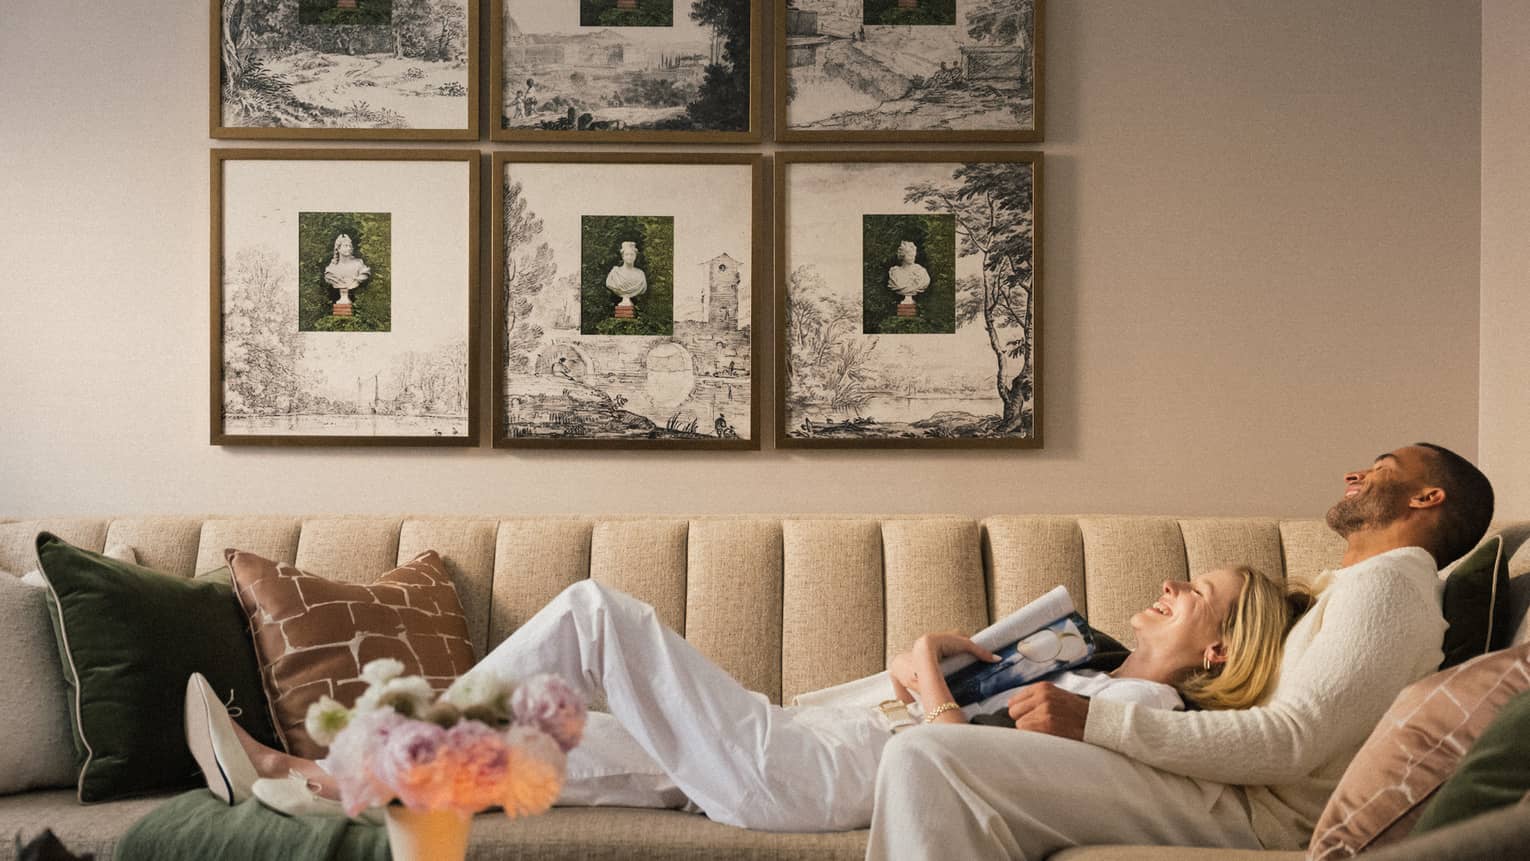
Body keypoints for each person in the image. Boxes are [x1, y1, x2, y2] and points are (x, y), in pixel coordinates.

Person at [185, 564, 1294, 833]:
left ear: (1218, 652)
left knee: (592, 614)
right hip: (818, 736)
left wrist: (924, 681)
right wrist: (938, 672)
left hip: (822, 772)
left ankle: (343, 758)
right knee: (552, 741)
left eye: (1203, 595)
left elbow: (977, 780)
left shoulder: (1143, 717)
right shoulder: (1085, 663)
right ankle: (323, 784)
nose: (1171, 588)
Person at [866, 442, 1495, 860]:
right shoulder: (1354, 586)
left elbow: (1291, 741)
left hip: (1256, 814)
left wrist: (1097, 719)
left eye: (1382, 467)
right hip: (1222, 789)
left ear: (1425, 498)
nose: (1355, 475)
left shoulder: (1391, 587)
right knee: (934, 758)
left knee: (932, 757)